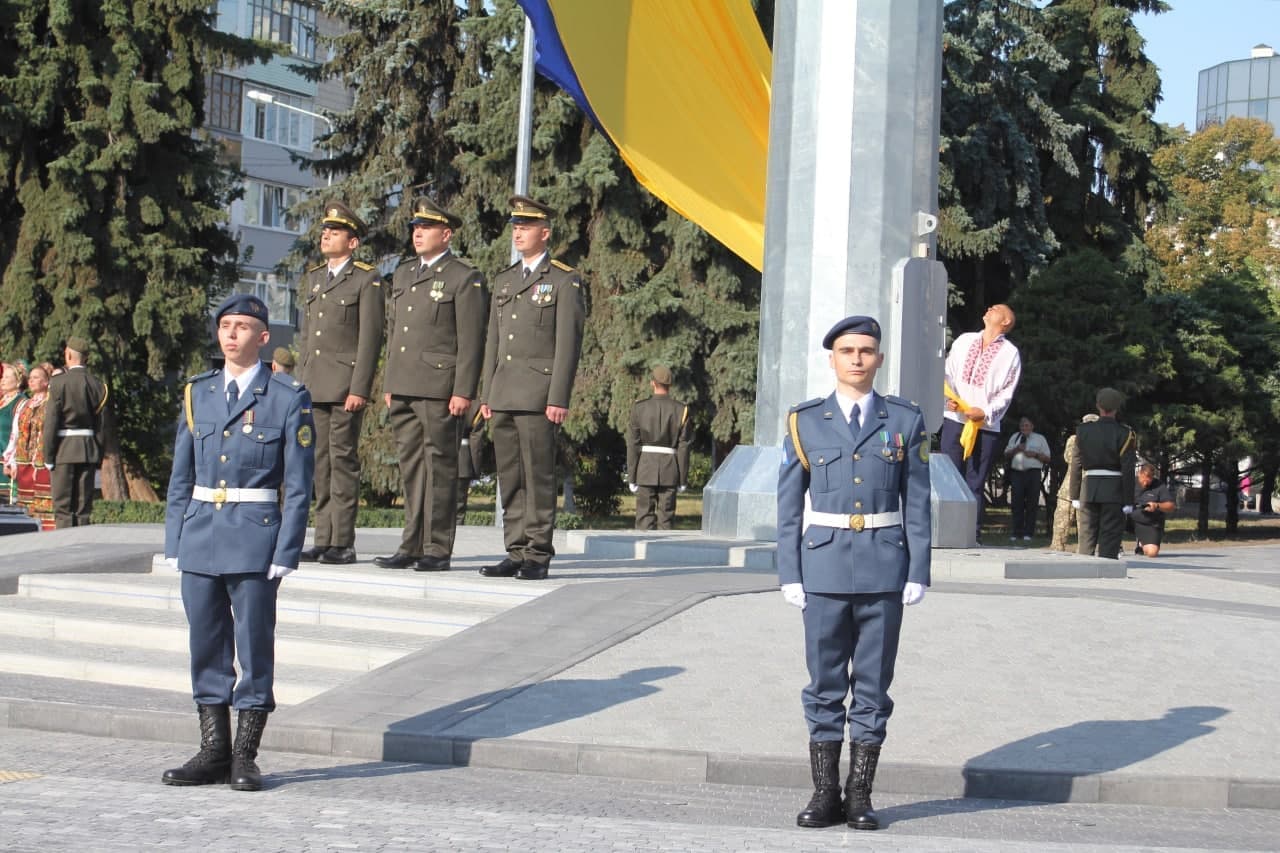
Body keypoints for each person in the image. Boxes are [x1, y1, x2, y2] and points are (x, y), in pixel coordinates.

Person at [777, 315, 931, 831]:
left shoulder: (905, 421)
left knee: (872, 687)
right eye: (848, 351)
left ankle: (859, 795)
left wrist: (919, 568)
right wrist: (789, 571)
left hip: (885, 568)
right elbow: (788, 505)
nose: (858, 358)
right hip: (821, 568)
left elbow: (919, 502)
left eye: (867, 350)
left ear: (880, 359)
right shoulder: (804, 421)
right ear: (833, 359)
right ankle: (824, 794)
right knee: (823, 685)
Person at [161, 293, 315, 792]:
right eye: (225, 325)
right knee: (205, 645)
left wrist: (287, 550)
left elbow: (297, 484)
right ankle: (212, 751)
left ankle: (245, 757)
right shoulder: (197, 392)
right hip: (202, 534)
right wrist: (174, 539)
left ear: (263, 337)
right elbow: (180, 476)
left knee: (253, 646)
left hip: (254, 537)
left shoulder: (288, 397)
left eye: (243, 326)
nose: (231, 334)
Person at [374, 197, 488, 571]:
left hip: (441, 387)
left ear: (447, 234)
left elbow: (471, 340)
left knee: (440, 467)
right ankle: (411, 545)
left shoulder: (463, 276)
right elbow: (397, 334)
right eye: (414, 228)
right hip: (405, 384)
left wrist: (463, 391)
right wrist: (390, 380)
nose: (417, 233)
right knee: (411, 467)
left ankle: (437, 547)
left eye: (425, 227)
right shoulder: (405, 273)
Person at [478, 195, 585, 582]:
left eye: (525, 226)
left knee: (537, 476)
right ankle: (516, 549)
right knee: (510, 476)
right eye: (515, 226)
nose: (518, 232)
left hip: (539, 395)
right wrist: (487, 392)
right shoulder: (505, 280)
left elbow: (567, 344)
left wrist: (558, 396)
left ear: (545, 232)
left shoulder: (562, 279)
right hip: (504, 392)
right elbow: (493, 339)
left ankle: (538, 553)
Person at [296, 202, 384, 565]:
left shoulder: (366, 279)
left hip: (344, 385)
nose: (325, 235)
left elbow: (370, 338)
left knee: (342, 461)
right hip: (314, 384)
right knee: (319, 464)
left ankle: (342, 542)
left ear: (353, 242)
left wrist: (359, 387)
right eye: (324, 231)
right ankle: (323, 537)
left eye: (335, 232)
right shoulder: (316, 278)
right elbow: (307, 337)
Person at [941, 304, 1021, 543]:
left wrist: (985, 412)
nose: (988, 308)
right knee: (948, 477)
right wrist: (948, 400)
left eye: (995, 309)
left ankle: (970, 534)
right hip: (954, 419)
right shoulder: (965, 340)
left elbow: (1007, 392)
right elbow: (946, 372)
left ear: (1005, 321)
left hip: (984, 426)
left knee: (974, 482)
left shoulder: (1010, 353)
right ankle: (945, 532)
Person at [44, 337, 108, 528]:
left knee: (63, 508)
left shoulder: (58, 383)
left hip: (63, 450)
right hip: (88, 450)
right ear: (86, 358)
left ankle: (65, 551)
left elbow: (51, 423)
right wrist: (98, 455)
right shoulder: (99, 386)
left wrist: (48, 455)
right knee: (83, 508)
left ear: (69, 355)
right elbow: (100, 426)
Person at [1068, 387, 1136, 560]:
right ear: (1117, 408)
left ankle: (1085, 567)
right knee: (1110, 536)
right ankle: (1106, 567)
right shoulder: (1125, 433)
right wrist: (1129, 500)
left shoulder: (1083, 431)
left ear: (1098, 406)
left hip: (1088, 488)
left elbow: (1076, 464)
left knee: (1087, 534)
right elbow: (1128, 469)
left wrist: (1074, 495)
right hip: (1113, 490)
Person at [626, 365, 692, 530]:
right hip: (670, 469)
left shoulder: (639, 408)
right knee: (666, 519)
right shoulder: (682, 410)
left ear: (652, 383)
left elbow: (633, 445)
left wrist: (632, 477)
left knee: (643, 519)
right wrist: (683, 478)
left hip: (645, 469)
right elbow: (684, 447)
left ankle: (644, 553)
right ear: (670, 385)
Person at [3, 363, 55, 528]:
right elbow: (15, 434)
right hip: (23, 462)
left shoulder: (50, 403)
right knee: (24, 505)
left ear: (46, 382)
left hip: (41, 462)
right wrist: (10, 460)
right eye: (31, 378)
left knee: (43, 503)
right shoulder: (26, 405)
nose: (32, 381)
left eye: (36, 378)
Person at [1050, 413, 1098, 552]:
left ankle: (1083, 552)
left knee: (1084, 525)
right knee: (1061, 522)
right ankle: (1056, 550)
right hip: (1069, 488)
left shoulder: (1101, 442)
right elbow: (1069, 458)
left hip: (1088, 488)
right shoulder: (1074, 439)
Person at [1003, 416, 1050, 541]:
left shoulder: (1040, 439)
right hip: (1017, 473)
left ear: (1032, 426)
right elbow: (1006, 454)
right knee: (1016, 503)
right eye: (1022, 425)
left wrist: (1035, 455)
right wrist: (1016, 449)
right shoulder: (1015, 437)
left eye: (1027, 425)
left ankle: (1028, 533)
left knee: (1032, 503)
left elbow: (1047, 458)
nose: (1024, 428)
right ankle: (1016, 532)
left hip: (1033, 473)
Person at [455, 399, 487, 526]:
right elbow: (476, 442)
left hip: (436, 458)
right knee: (458, 509)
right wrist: (475, 467)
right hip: (463, 461)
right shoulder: (475, 406)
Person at [1133, 463, 1175, 557]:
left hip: (1149, 522)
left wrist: (1157, 505)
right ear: (1139, 473)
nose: (1145, 483)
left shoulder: (1159, 485)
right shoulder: (1130, 482)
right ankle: (1117, 545)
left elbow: (1171, 506)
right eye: (1143, 479)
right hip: (1130, 518)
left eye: (1149, 480)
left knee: (1152, 553)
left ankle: (1141, 543)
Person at [0, 363, 27, 502]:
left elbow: (20, 435)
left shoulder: (21, 403)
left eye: (6, 377)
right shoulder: (1, 401)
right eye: (2, 377)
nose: (2, 380)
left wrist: (12, 461)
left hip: (7, 466)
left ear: (18, 381)